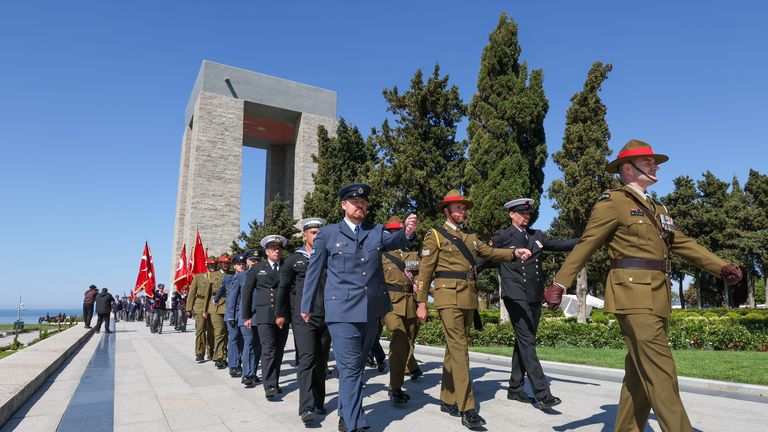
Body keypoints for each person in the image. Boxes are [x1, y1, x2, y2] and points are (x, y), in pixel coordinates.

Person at [545, 139, 744, 432]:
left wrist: (720, 266)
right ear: (628, 167)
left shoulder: (658, 207)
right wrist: (560, 282)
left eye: (654, 161)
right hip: (632, 296)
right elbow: (588, 244)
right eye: (648, 161)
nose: (655, 165)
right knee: (662, 371)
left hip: (658, 295)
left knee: (639, 374)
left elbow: (683, 243)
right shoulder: (612, 202)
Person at [301, 183, 418, 432]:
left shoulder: (375, 231)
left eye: (364, 203)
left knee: (353, 367)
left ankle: (346, 414)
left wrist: (407, 233)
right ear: (344, 205)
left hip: (370, 311)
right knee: (351, 367)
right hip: (341, 311)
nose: (360, 205)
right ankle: (355, 423)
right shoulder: (329, 234)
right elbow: (314, 271)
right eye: (355, 202)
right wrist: (307, 304)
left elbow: (393, 241)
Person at [416, 189, 516, 430]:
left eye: (464, 208)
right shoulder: (435, 236)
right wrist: (421, 302)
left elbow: (489, 253)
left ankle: (447, 397)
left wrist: (514, 253)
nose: (463, 211)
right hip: (447, 296)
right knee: (460, 349)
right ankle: (467, 407)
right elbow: (425, 271)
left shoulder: (470, 238)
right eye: (458, 208)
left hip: (468, 297)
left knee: (454, 349)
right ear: (447, 211)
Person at [477, 198, 578, 408]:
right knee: (527, 341)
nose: (526, 216)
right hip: (514, 295)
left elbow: (560, 245)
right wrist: (468, 272)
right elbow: (485, 259)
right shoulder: (502, 236)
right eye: (521, 213)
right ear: (511, 215)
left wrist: (587, 240)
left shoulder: (537, 235)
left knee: (524, 341)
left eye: (528, 213)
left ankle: (515, 388)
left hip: (533, 296)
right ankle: (542, 393)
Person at [276, 217, 330, 424]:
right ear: (304, 235)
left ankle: (318, 401)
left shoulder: (329, 256)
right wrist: (280, 313)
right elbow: (283, 287)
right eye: (313, 233)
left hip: (326, 315)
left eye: (319, 233)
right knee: (307, 359)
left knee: (321, 361)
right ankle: (306, 407)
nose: (317, 236)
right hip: (303, 317)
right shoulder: (294, 259)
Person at [381, 215, 421, 404]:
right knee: (398, 339)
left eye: (397, 230)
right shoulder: (381, 254)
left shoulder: (412, 255)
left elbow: (421, 279)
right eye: (391, 231)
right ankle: (395, 387)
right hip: (389, 303)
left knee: (408, 342)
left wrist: (422, 302)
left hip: (410, 302)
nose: (394, 234)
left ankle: (409, 367)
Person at [243, 235, 289, 400]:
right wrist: (246, 315)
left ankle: (275, 382)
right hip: (264, 314)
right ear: (266, 251)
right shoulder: (257, 268)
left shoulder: (286, 266)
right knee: (268, 349)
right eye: (273, 248)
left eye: (279, 248)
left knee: (279, 350)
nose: (277, 251)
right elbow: (247, 293)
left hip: (283, 314)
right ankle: (269, 385)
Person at [215, 253, 247, 378]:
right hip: (232, 313)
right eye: (239, 264)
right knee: (233, 338)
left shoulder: (248, 276)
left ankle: (238, 361)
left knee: (242, 339)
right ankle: (233, 366)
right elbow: (222, 291)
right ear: (234, 266)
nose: (242, 266)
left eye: (243, 264)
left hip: (243, 313)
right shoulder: (228, 278)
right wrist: (216, 299)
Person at [187, 256, 219, 362]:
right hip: (200, 305)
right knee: (200, 330)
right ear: (207, 265)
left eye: (214, 265)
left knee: (212, 329)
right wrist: (189, 308)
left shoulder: (219, 277)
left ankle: (211, 351)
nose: (212, 267)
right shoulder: (198, 277)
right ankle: (200, 352)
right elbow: (191, 293)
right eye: (210, 265)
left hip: (213, 305)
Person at [240, 249, 263, 387]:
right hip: (247, 316)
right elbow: (237, 296)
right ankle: (246, 374)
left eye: (258, 260)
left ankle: (253, 372)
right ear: (247, 262)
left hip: (260, 315)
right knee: (249, 343)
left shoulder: (264, 274)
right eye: (252, 260)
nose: (255, 263)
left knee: (258, 346)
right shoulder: (242, 276)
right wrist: (241, 315)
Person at [210, 253, 232, 369]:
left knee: (227, 333)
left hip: (229, 307)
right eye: (224, 263)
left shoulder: (233, 275)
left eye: (228, 263)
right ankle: (219, 357)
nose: (226, 265)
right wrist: (203, 310)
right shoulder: (212, 276)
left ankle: (224, 355)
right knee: (219, 332)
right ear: (220, 263)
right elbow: (208, 294)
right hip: (216, 307)